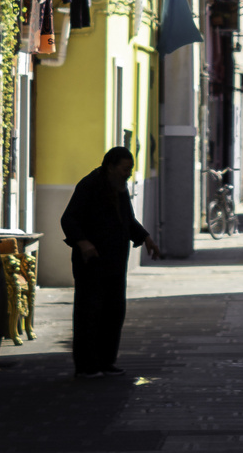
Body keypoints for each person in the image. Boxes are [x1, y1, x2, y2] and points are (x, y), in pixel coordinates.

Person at [61, 146, 161, 378]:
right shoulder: (89, 185)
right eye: (126, 169)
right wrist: (83, 242)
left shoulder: (119, 187)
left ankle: (106, 361)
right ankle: (86, 366)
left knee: (114, 312)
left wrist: (145, 238)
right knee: (90, 313)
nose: (129, 174)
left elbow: (128, 219)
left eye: (131, 169)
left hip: (115, 262)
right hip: (93, 262)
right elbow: (69, 219)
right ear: (110, 167)